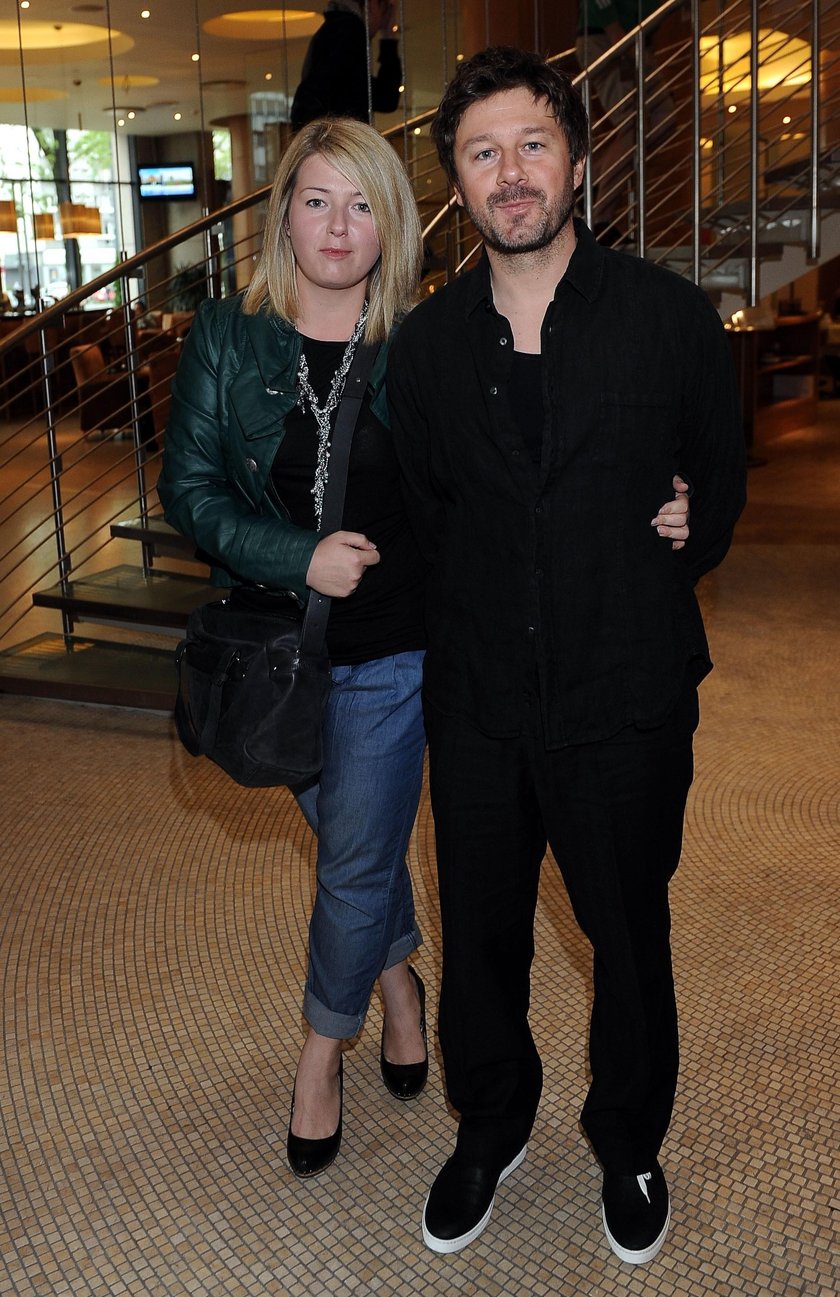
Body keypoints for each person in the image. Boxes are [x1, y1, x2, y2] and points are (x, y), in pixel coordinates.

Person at [387, 46, 746, 1263]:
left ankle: (630, 1138)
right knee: (480, 931)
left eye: (532, 144)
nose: (511, 172)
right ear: (459, 185)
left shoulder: (668, 318)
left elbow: (720, 484)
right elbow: (426, 516)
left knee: (627, 932)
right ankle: (490, 1124)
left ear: (580, 163)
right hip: (480, 699)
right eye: (482, 153)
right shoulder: (429, 348)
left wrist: (686, 526)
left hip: (626, 689)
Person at [157, 117, 429, 1180]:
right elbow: (189, 490)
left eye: (362, 204)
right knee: (363, 845)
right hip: (283, 650)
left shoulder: (423, 339)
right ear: (284, 216)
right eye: (317, 200)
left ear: (390, 222)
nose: (339, 226)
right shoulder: (228, 335)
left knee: (352, 860)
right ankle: (398, 981)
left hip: (396, 649)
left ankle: (321, 1058)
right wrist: (298, 556)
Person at [576, 1, 674, 243]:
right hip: (608, 39)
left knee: (664, 119)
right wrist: (619, 38)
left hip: (633, 42)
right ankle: (600, 219)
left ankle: (590, 182)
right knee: (633, 124)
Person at [291, 1, 402, 131]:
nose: (382, 22)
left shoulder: (336, 28)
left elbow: (384, 98)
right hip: (337, 134)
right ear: (371, 5)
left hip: (330, 132)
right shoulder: (350, 30)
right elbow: (385, 98)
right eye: (383, 11)